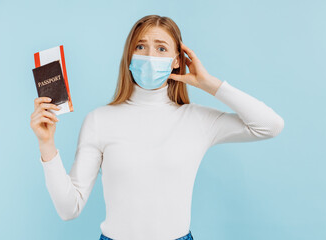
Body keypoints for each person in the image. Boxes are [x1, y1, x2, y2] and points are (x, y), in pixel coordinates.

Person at [30, 15, 284, 240]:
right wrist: (46, 144)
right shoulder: (100, 120)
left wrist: (210, 84)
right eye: (141, 46)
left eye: (161, 48)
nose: (150, 56)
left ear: (176, 61)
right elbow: (68, 209)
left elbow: (270, 126)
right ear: (129, 56)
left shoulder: (198, 119)